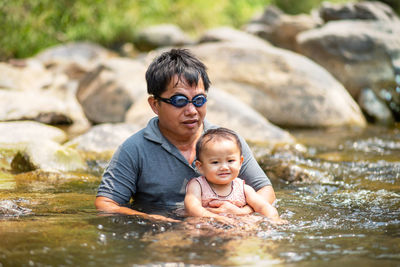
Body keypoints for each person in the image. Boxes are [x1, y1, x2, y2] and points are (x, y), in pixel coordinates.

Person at [95, 48, 276, 221]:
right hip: (164, 236)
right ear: (155, 105)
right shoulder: (134, 149)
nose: (191, 110)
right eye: (179, 101)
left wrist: (241, 212)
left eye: (199, 100)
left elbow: (266, 190)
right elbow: (105, 203)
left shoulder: (226, 143)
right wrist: (151, 219)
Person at [185, 127, 284, 224]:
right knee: (191, 227)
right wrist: (215, 217)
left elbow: (263, 206)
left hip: (237, 226)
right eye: (215, 162)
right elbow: (192, 208)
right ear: (200, 166)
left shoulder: (243, 189)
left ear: (240, 162)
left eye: (230, 161)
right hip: (206, 226)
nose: (224, 167)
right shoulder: (198, 185)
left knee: (251, 224)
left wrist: (274, 218)